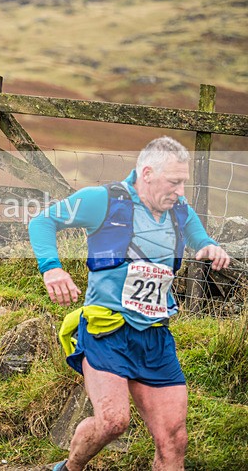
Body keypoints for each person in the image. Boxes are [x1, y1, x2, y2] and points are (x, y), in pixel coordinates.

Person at [28, 136, 230, 471]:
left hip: (154, 337)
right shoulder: (103, 200)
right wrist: (52, 269)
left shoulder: (180, 212)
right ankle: (70, 467)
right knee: (112, 421)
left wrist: (210, 247)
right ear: (147, 173)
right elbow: (43, 221)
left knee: (174, 439)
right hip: (108, 332)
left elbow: (201, 239)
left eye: (184, 183)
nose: (180, 191)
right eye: (174, 182)